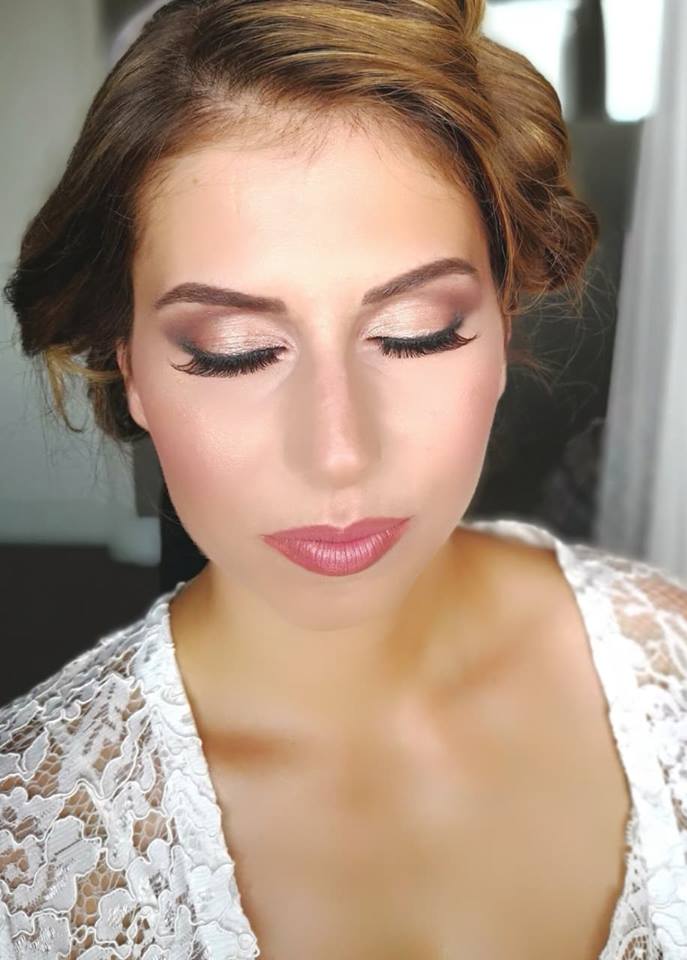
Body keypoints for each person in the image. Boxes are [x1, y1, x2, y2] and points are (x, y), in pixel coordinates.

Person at [1, 1, 686, 957]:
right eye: (235, 351)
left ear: (501, 329)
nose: (337, 452)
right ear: (132, 369)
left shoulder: (668, 663)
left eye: (415, 334)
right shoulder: (32, 844)